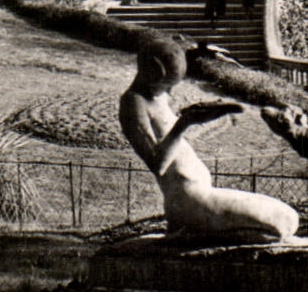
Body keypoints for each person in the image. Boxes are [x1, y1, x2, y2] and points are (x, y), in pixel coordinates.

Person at [118, 37, 298, 244]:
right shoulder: (133, 103)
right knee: (278, 225)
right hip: (188, 202)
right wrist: (185, 123)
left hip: (204, 193)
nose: (170, 91)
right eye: (167, 84)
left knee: (290, 218)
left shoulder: (157, 96)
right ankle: (194, 234)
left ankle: (200, 233)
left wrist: (210, 110)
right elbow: (157, 165)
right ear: (152, 72)